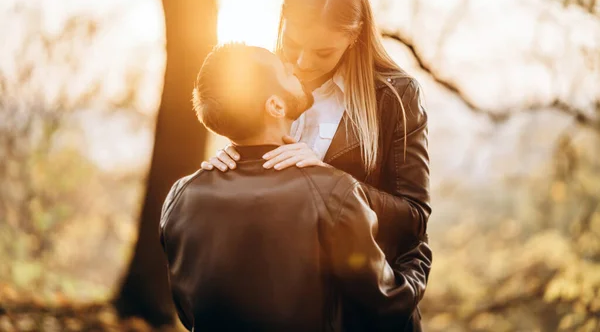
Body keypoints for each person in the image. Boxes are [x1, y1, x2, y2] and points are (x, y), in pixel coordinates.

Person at [201, 0, 431, 331]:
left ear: (354, 36)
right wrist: (231, 167)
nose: (303, 62)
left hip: (363, 315)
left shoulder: (395, 97)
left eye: (323, 51)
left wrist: (333, 182)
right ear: (283, 20)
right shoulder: (263, 78)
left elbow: (414, 220)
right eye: (293, 45)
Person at [159, 43, 431, 332]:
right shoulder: (335, 193)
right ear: (275, 105)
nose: (293, 67)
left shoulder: (180, 197)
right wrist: (418, 258)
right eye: (283, 70)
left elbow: (190, 312)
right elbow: (387, 305)